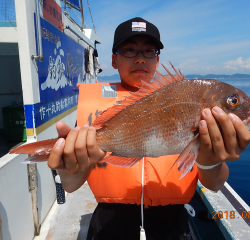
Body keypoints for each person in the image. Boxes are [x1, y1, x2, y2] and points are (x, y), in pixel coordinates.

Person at [48, 17, 250, 240]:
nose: (140, 59)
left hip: (173, 222)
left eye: (149, 51)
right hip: (109, 222)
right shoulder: (94, 115)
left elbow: (215, 184)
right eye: (129, 50)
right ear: (114, 60)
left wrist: (209, 160)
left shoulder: (192, 110)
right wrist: (68, 170)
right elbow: (71, 185)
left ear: (157, 59)